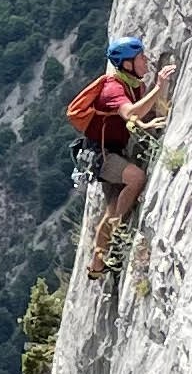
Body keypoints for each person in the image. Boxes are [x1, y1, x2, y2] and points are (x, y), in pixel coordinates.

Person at [65, 37, 175, 280]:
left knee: (114, 204)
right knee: (136, 179)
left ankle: (96, 264)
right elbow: (131, 112)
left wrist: (147, 121)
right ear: (127, 64)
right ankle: (118, 229)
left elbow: (134, 119)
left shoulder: (133, 84)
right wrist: (159, 87)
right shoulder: (113, 88)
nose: (146, 61)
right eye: (140, 58)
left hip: (110, 152)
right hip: (102, 156)